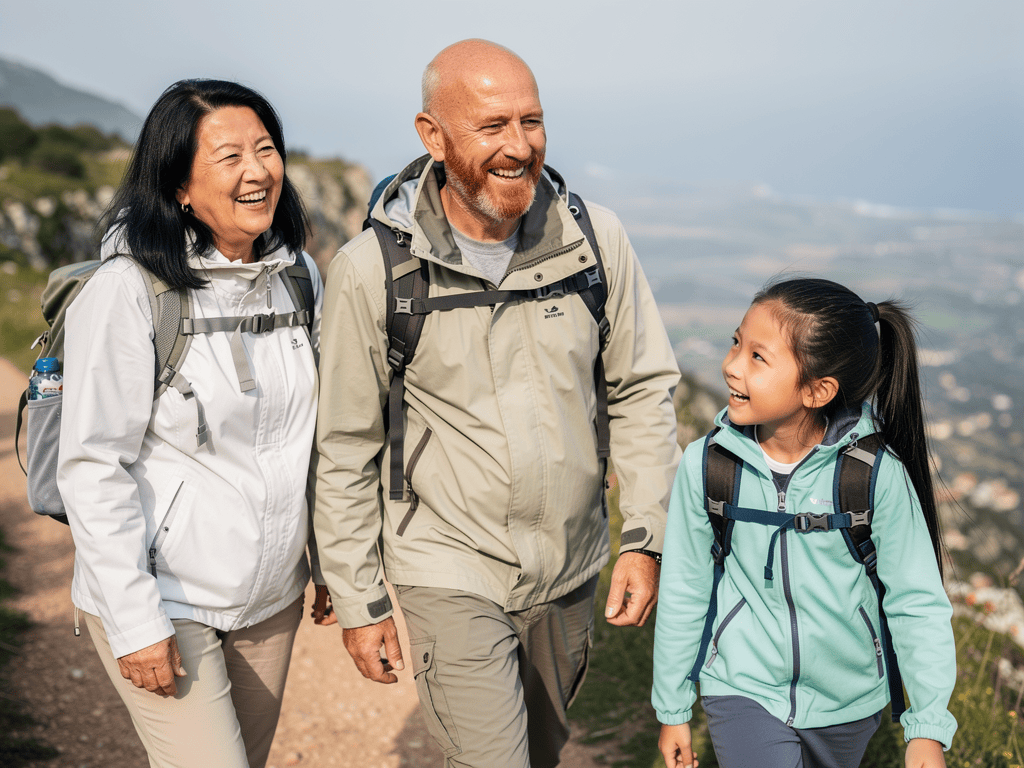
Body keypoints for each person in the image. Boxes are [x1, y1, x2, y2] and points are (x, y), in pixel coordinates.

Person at [313, 39, 681, 767]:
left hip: (570, 569)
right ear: (432, 136)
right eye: (493, 127)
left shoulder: (593, 240)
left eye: (532, 121)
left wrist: (646, 536)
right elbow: (346, 445)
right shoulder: (372, 271)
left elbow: (641, 389)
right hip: (446, 567)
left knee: (540, 753)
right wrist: (359, 601)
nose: (519, 147)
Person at [57, 79, 329, 768]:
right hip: (166, 596)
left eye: (266, 149)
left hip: (270, 599)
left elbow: (319, 439)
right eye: (230, 156)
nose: (258, 170)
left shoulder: (297, 278)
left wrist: (330, 561)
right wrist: (135, 620)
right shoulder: (127, 291)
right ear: (179, 184)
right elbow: (92, 465)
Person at [652, 277, 957, 768]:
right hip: (741, 685)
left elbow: (916, 602)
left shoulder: (874, 476)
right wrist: (672, 705)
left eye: (757, 356)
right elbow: (686, 587)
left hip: (847, 701)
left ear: (818, 390)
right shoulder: (708, 465)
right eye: (736, 342)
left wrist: (927, 725)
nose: (730, 365)